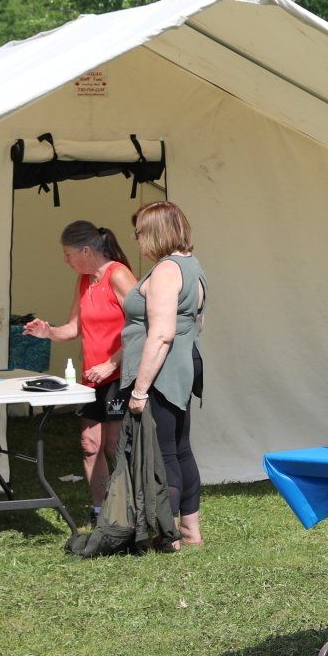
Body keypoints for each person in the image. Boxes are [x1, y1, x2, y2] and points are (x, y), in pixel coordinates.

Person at [22, 222, 138, 519]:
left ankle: (130, 507)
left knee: (113, 445)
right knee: (89, 445)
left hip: (119, 375)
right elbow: (73, 328)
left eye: (68, 253)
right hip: (92, 377)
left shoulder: (119, 274)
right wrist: (47, 331)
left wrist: (112, 362)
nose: (65, 260)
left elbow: (141, 326)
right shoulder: (84, 281)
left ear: (86, 250)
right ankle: (100, 510)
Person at [120, 201, 206, 549]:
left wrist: (140, 391)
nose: (137, 239)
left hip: (163, 369)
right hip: (184, 362)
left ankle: (166, 536)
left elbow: (161, 334)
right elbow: (197, 322)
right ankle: (190, 532)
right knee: (180, 448)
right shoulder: (192, 265)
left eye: (139, 231)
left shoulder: (166, 271)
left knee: (164, 453)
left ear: (155, 232)